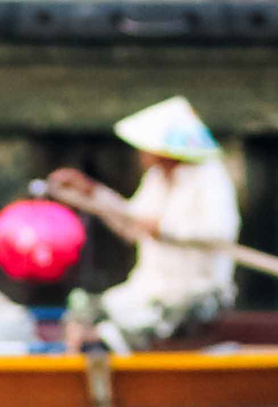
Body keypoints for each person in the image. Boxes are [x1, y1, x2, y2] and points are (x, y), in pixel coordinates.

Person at [49, 96, 240, 354]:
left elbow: (219, 232)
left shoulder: (210, 177)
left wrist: (164, 227)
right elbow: (132, 226)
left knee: (113, 338)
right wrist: (92, 193)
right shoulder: (156, 178)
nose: (142, 153)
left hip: (194, 295)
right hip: (146, 289)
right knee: (82, 311)